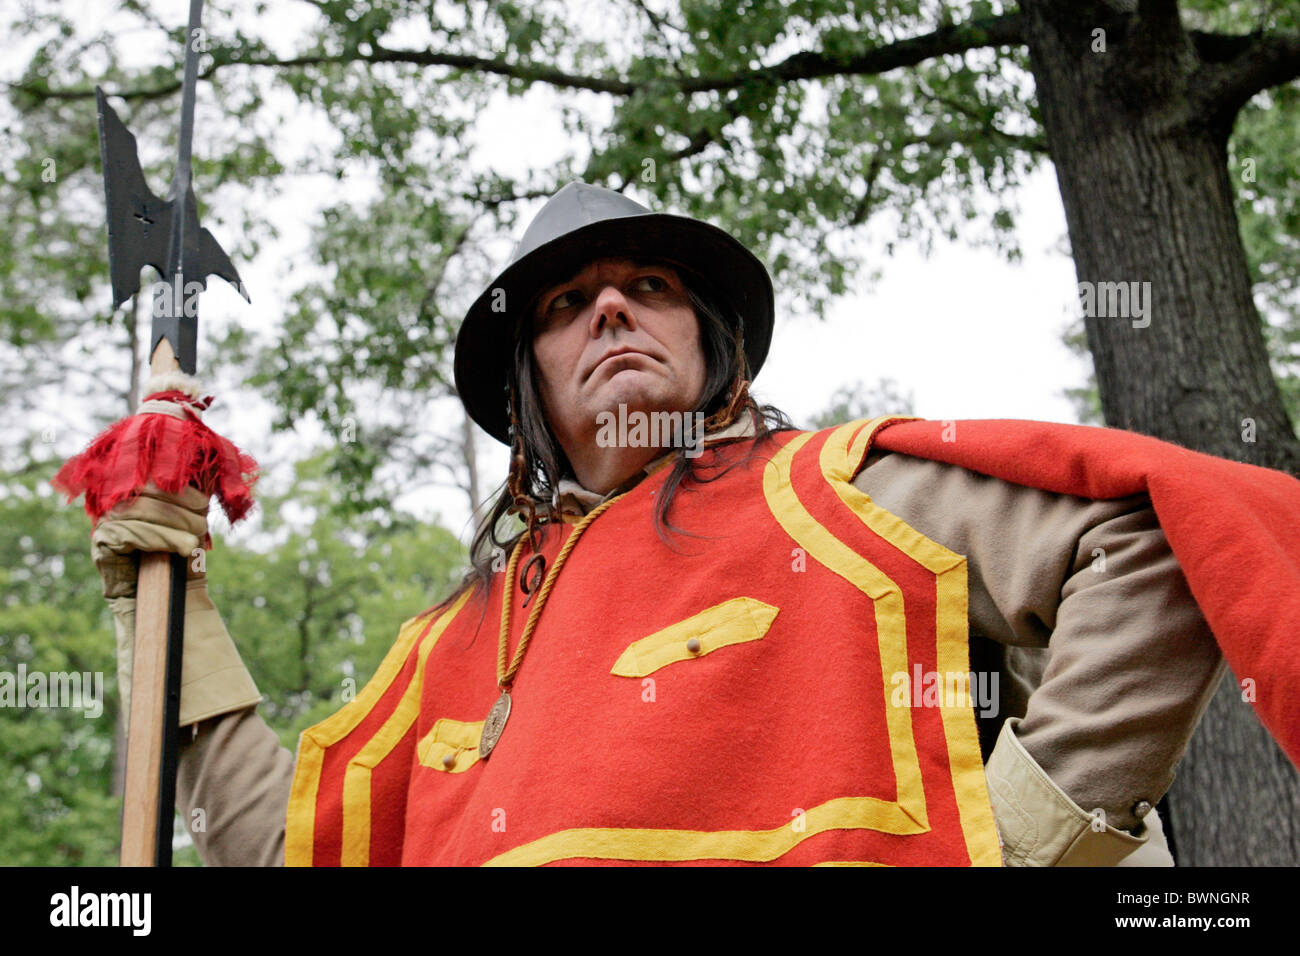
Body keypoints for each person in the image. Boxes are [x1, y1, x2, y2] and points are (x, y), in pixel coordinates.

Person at [91, 181, 1284, 867]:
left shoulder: (838, 495)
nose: (610, 304)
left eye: (648, 287)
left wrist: (1026, 845)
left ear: (714, 342)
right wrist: (171, 599)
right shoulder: (449, 647)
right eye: (567, 303)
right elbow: (282, 846)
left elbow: (1151, 533)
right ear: (529, 389)